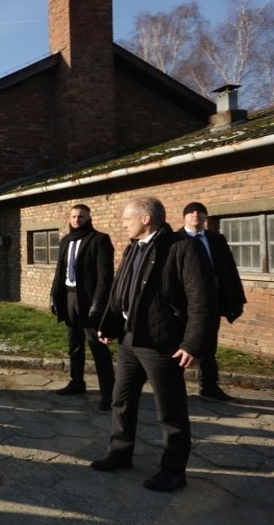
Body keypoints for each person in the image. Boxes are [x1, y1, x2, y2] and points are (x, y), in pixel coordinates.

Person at [92, 197, 217, 493]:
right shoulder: (133, 247)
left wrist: (193, 344)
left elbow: (203, 299)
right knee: (121, 400)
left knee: (170, 411)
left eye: (127, 218)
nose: (123, 223)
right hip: (130, 340)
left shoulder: (182, 247)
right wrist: (109, 325)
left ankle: (174, 471)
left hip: (163, 344)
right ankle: (120, 453)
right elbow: (120, 290)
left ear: (146, 218)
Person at [179, 202, 246, 402]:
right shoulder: (175, 239)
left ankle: (209, 385)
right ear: (184, 217)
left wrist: (236, 298)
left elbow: (229, 269)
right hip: (184, 300)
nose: (195, 215)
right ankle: (174, 386)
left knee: (208, 342)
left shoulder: (216, 239)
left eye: (200, 212)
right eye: (191, 212)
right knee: (181, 341)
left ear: (206, 217)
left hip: (212, 298)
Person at [50, 204, 115, 410]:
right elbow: (60, 272)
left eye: (81, 216)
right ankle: (76, 382)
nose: (77, 219)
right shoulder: (65, 241)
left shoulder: (99, 240)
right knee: (74, 345)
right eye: (74, 216)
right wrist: (53, 296)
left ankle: (109, 394)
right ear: (69, 218)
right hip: (69, 298)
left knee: (98, 347)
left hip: (88, 301)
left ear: (88, 217)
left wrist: (98, 304)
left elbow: (105, 277)